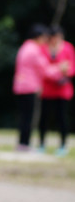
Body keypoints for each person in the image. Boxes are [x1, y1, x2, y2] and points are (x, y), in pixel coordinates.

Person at [12, 23, 51, 150]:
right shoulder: (34, 50)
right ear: (38, 37)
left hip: (20, 87)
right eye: (44, 37)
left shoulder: (24, 47)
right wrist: (61, 70)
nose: (45, 41)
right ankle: (25, 144)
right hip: (29, 88)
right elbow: (45, 69)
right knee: (28, 118)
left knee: (24, 117)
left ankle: (22, 143)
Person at [39, 25, 75, 156]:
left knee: (62, 118)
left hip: (63, 90)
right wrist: (60, 68)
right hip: (47, 89)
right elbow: (42, 68)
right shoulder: (44, 49)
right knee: (44, 118)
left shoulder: (68, 47)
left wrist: (64, 71)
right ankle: (41, 144)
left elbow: (72, 68)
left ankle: (63, 145)